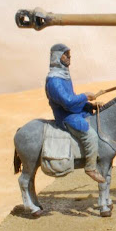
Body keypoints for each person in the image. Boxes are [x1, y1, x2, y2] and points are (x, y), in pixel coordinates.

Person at [44, 43, 105, 184]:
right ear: (58, 57)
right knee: (91, 135)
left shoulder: (64, 76)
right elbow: (67, 102)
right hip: (66, 117)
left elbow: (72, 98)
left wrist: (89, 105)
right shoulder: (54, 80)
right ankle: (90, 167)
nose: (69, 57)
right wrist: (85, 96)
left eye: (69, 54)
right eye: (65, 55)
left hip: (73, 112)